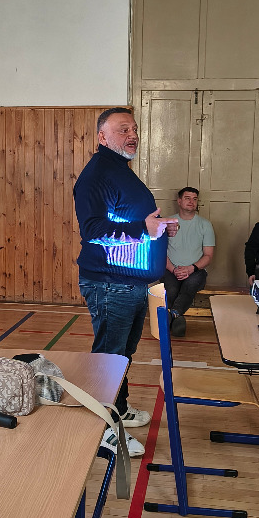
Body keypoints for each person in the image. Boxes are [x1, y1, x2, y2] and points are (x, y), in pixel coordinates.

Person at [74, 108, 177, 457]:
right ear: (102, 137)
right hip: (109, 284)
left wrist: (158, 227)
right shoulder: (97, 175)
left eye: (134, 129)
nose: (132, 135)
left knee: (123, 354)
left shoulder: (120, 169)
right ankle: (102, 430)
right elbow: (93, 230)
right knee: (110, 358)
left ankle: (119, 408)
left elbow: (130, 219)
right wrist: (143, 229)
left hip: (129, 283)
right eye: (122, 130)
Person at [162, 187, 215, 338]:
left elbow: (208, 256)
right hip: (169, 269)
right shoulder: (167, 223)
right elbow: (160, 252)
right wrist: (174, 270)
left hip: (196, 271)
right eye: (187, 198)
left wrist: (191, 269)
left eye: (195, 199)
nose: (191, 201)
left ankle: (171, 315)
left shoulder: (205, 224)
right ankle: (177, 319)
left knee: (189, 286)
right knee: (171, 290)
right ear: (179, 201)